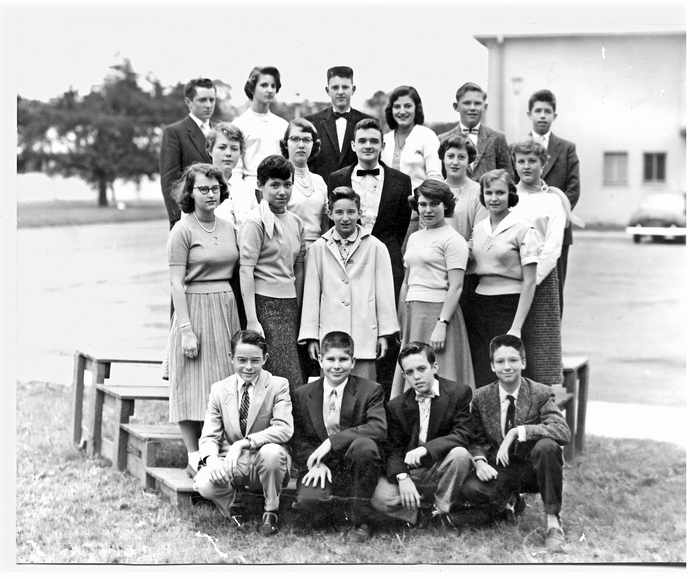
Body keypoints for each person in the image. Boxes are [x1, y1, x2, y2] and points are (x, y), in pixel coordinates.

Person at [462, 334, 571, 552]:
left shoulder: (539, 392)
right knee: (471, 490)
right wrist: (480, 461)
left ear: (523, 362)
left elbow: (562, 431)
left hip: (534, 469)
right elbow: (474, 436)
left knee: (547, 446)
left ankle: (553, 523)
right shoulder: (481, 397)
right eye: (500, 362)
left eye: (513, 360)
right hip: (501, 467)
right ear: (492, 366)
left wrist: (517, 432)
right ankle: (510, 503)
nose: (507, 367)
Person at [166, 163, 239, 475]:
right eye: (203, 189)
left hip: (225, 305)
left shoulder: (228, 227)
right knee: (190, 380)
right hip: (193, 305)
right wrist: (186, 329)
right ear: (190, 193)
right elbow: (175, 283)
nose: (210, 194)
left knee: (222, 379)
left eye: (214, 188)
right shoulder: (182, 230)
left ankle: (216, 447)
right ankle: (193, 453)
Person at [193, 330, 293, 536]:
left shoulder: (278, 385)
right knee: (204, 483)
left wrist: (243, 443)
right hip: (232, 462)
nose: (248, 367)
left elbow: (283, 429)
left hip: (265, 462)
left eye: (255, 360)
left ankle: (270, 511)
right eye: (242, 360)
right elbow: (209, 436)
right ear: (231, 358)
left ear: (265, 359)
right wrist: (212, 461)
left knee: (272, 453)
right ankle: (235, 507)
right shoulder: (219, 389)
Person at [291, 331, 387, 542]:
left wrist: (332, 442)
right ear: (320, 359)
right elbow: (298, 438)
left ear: (353, 362)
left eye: (343, 359)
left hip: (356, 465)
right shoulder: (302, 393)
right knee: (309, 506)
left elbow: (378, 427)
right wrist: (315, 464)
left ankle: (361, 519)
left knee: (365, 445)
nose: (336, 366)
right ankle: (333, 510)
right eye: (331, 359)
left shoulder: (370, 390)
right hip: (322, 466)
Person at [371, 342, 480, 527]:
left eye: (421, 369)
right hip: (413, 471)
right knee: (379, 497)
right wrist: (402, 477)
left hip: (443, 465)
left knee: (460, 454)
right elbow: (393, 448)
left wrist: (425, 450)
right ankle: (421, 517)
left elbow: (462, 434)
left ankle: (441, 509)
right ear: (404, 376)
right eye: (410, 372)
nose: (417, 377)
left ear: (434, 367)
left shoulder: (458, 393)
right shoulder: (396, 406)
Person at [299, 186, 399, 381]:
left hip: (364, 333)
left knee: (364, 390)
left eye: (351, 212)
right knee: (331, 389)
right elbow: (311, 295)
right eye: (339, 212)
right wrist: (312, 336)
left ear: (360, 213)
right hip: (330, 333)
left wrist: (384, 334)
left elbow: (385, 294)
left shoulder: (376, 247)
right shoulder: (318, 248)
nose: (345, 218)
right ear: (329, 214)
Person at [390, 180, 475, 398]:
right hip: (413, 314)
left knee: (441, 374)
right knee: (412, 371)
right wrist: (401, 319)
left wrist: (442, 323)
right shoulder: (415, 237)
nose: (427, 210)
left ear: (445, 205)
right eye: (423, 204)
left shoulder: (453, 240)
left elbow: (456, 287)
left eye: (434, 203)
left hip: (438, 313)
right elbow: (408, 281)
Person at [468, 169, 541, 386]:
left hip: (509, 306)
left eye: (500, 192)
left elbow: (529, 282)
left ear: (510, 194)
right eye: (488, 192)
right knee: (483, 369)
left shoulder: (523, 228)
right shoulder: (478, 229)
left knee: (509, 370)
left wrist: (516, 327)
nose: (494, 198)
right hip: (479, 307)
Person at [239, 155, 305, 390]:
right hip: (265, 306)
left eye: (287, 184)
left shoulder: (296, 222)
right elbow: (246, 271)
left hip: (290, 305)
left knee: (293, 373)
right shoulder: (255, 222)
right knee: (281, 376)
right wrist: (252, 319)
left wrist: (297, 306)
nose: (282, 191)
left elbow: (298, 266)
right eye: (274, 185)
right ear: (260, 186)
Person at [328, 118, 412, 299]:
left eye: (374, 141)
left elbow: (401, 226)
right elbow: (333, 222)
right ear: (353, 145)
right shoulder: (336, 178)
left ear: (383, 145)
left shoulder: (402, 181)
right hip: (348, 260)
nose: (368, 146)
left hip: (388, 259)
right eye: (362, 141)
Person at [510, 140, 567, 385]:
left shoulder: (552, 201)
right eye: (521, 161)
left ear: (543, 164)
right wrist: (513, 276)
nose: (526, 166)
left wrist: (530, 280)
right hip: (509, 280)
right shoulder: (508, 195)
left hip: (541, 282)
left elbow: (553, 247)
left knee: (540, 349)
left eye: (532, 161)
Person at [526, 89, 581, 315]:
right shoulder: (518, 148)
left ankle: (551, 343)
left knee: (554, 291)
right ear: (529, 114)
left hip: (557, 231)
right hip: (526, 229)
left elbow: (573, 188)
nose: (542, 116)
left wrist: (554, 215)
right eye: (538, 111)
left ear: (554, 116)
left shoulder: (566, 148)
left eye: (547, 111)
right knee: (525, 287)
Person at [160, 78, 216, 229]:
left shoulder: (220, 132)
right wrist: (176, 219)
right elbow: (169, 180)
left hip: (220, 214)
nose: (209, 105)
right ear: (188, 102)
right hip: (190, 216)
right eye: (203, 100)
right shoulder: (174, 132)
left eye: (212, 99)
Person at [305, 66, 372, 184]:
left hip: (357, 193)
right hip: (322, 192)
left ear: (353, 89)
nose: (340, 92)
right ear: (327, 90)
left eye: (345, 87)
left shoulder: (368, 122)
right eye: (335, 87)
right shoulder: (312, 123)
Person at [438, 82, 513, 181]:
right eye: (467, 103)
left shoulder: (497, 138)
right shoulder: (442, 139)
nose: (472, 108)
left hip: (488, 195)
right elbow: (439, 177)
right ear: (456, 106)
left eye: (477, 103)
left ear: (485, 107)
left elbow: (508, 177)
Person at [381, 85, 442, 192]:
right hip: (388, 205)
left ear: (416, 108)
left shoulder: (427, 136)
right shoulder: (385, 139)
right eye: (397, 107)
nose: (402, 111)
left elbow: (435, 177)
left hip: (419, 204)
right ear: (391, 110)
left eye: (407, 106)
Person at [280, 118, 329, 249]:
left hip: (318, 249)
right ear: (286, 144)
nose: (301, 145)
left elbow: (325, 224)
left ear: (314, 145)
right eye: (295, 139)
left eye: (306, 140)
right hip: (289, 249)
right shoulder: (279, 180)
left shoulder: (319, 181)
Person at [234, 66, 288, 180]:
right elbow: (236, 167)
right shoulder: (239, 124)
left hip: (279, 184)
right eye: (264, 85)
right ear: (252, 88)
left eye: (273, 86)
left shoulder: (283, 125)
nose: (270, 90)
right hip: (250, 184)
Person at [207, 122, 259, 230]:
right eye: (222, 147)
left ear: (241, 153)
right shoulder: (199, 184)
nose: (228, 153)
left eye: (234, 148)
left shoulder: (246, 189)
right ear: (210, 150)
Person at [439, 134, 487, 242]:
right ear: (443, 158)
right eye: (450, 156)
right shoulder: (435, 190)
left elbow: (480, 235)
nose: (455, 162)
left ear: (469, 160)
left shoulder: (479, 192)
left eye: (461, 157)